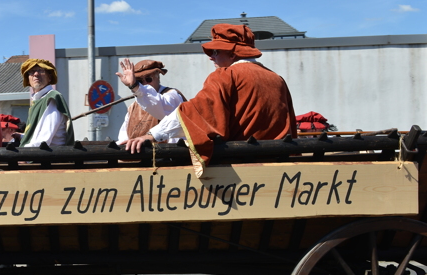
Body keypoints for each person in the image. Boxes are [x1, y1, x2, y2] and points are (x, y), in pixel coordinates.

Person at [123, 24, 297, 177]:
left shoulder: (225, 75)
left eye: (215, 51)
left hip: (240, 170)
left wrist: (152, 135)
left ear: (232, 53)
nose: (211, 57)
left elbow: (195, 113)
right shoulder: (277, 79)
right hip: (277, 167)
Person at [115, 59, 186, 142]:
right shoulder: (133, 106)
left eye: (148, 79)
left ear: (158, 77)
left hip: (170, 154)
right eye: (140, 81)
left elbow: (157, 105)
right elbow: (124, 136)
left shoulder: (172, 96)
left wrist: (135, 86)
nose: (145, 84)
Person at [18, 59, 75, 147]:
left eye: (41, 70)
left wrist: (22, 156)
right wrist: (22, 137)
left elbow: (43, 141)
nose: (36, 74)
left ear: (49, 77)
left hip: (51, 159)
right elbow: (38, 136)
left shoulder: (52, 98)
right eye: (32, 71)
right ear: (28, 79)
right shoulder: (38, 100)